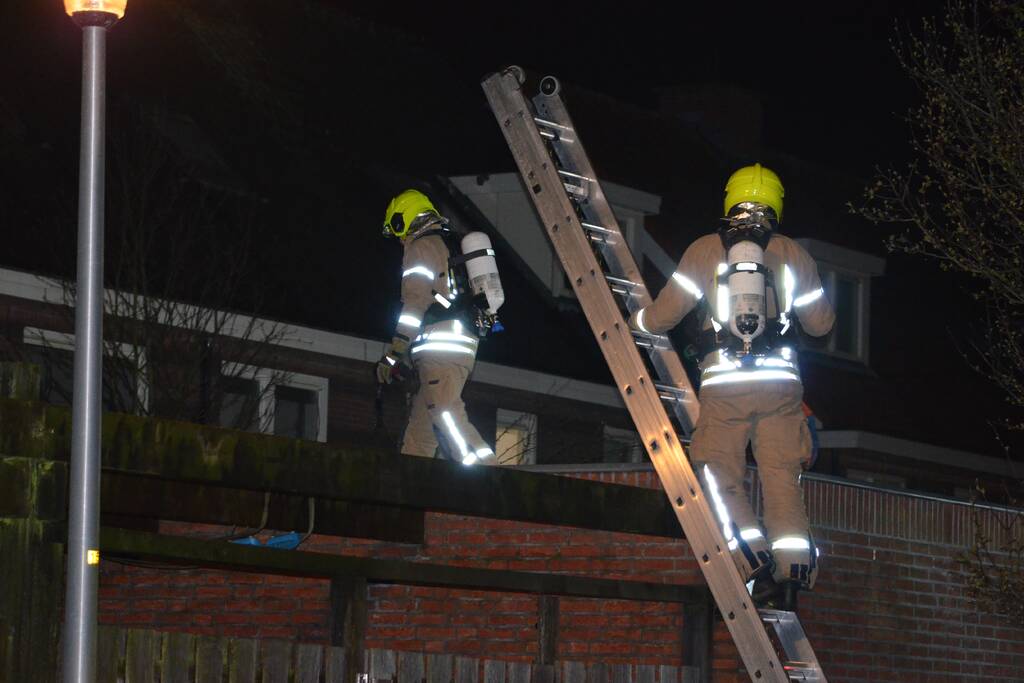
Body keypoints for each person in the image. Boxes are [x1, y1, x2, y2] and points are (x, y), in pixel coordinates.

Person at [629, 164, 835, 609]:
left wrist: (636, 321)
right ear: (777, 204)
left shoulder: (705, 251)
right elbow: (820, 325)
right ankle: (793, 573)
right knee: (782, 478)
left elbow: (665, 315)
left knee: (717, 474)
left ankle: (752, 559)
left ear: (730, 199)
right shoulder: (793, 255)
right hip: (781, 385)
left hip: (725, 384)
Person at [377, 189, 496, 465]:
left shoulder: (421, 248)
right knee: (422, 425)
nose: (399, 240)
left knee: (445, 412)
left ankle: (487, 475)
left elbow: (415, 303)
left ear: (403, 220)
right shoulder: (446, 245)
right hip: (458, 341)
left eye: (397, 231)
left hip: (441, 346)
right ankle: (409, 481)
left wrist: (394, 352)